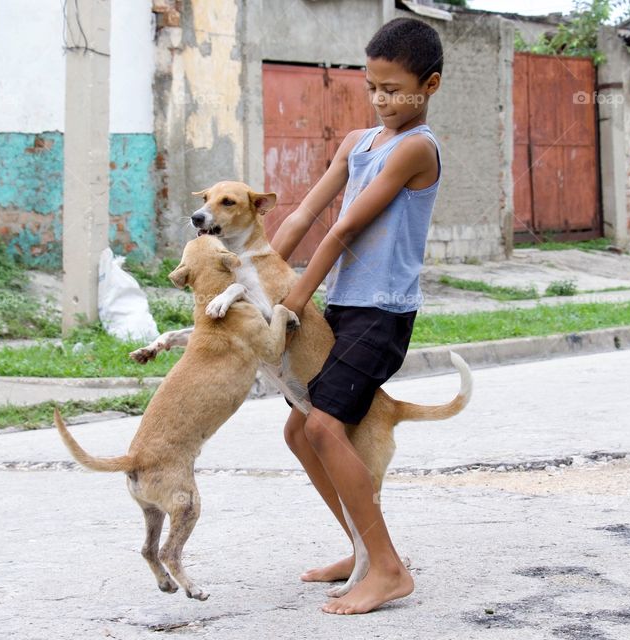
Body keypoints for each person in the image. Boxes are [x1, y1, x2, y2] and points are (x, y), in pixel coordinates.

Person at [272, 17, 444, 615]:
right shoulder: (354, 143)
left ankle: (390, 569)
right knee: (299, 431)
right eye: (373, 86)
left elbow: (345, 228)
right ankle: (362, 547)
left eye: (395, 89)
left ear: (430, 86)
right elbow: (304, 216)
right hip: (343, 307)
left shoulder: (417, 148)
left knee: (322, 426)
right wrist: (266, 271)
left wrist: (295, 299)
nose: (382, 100)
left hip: (383, 314)